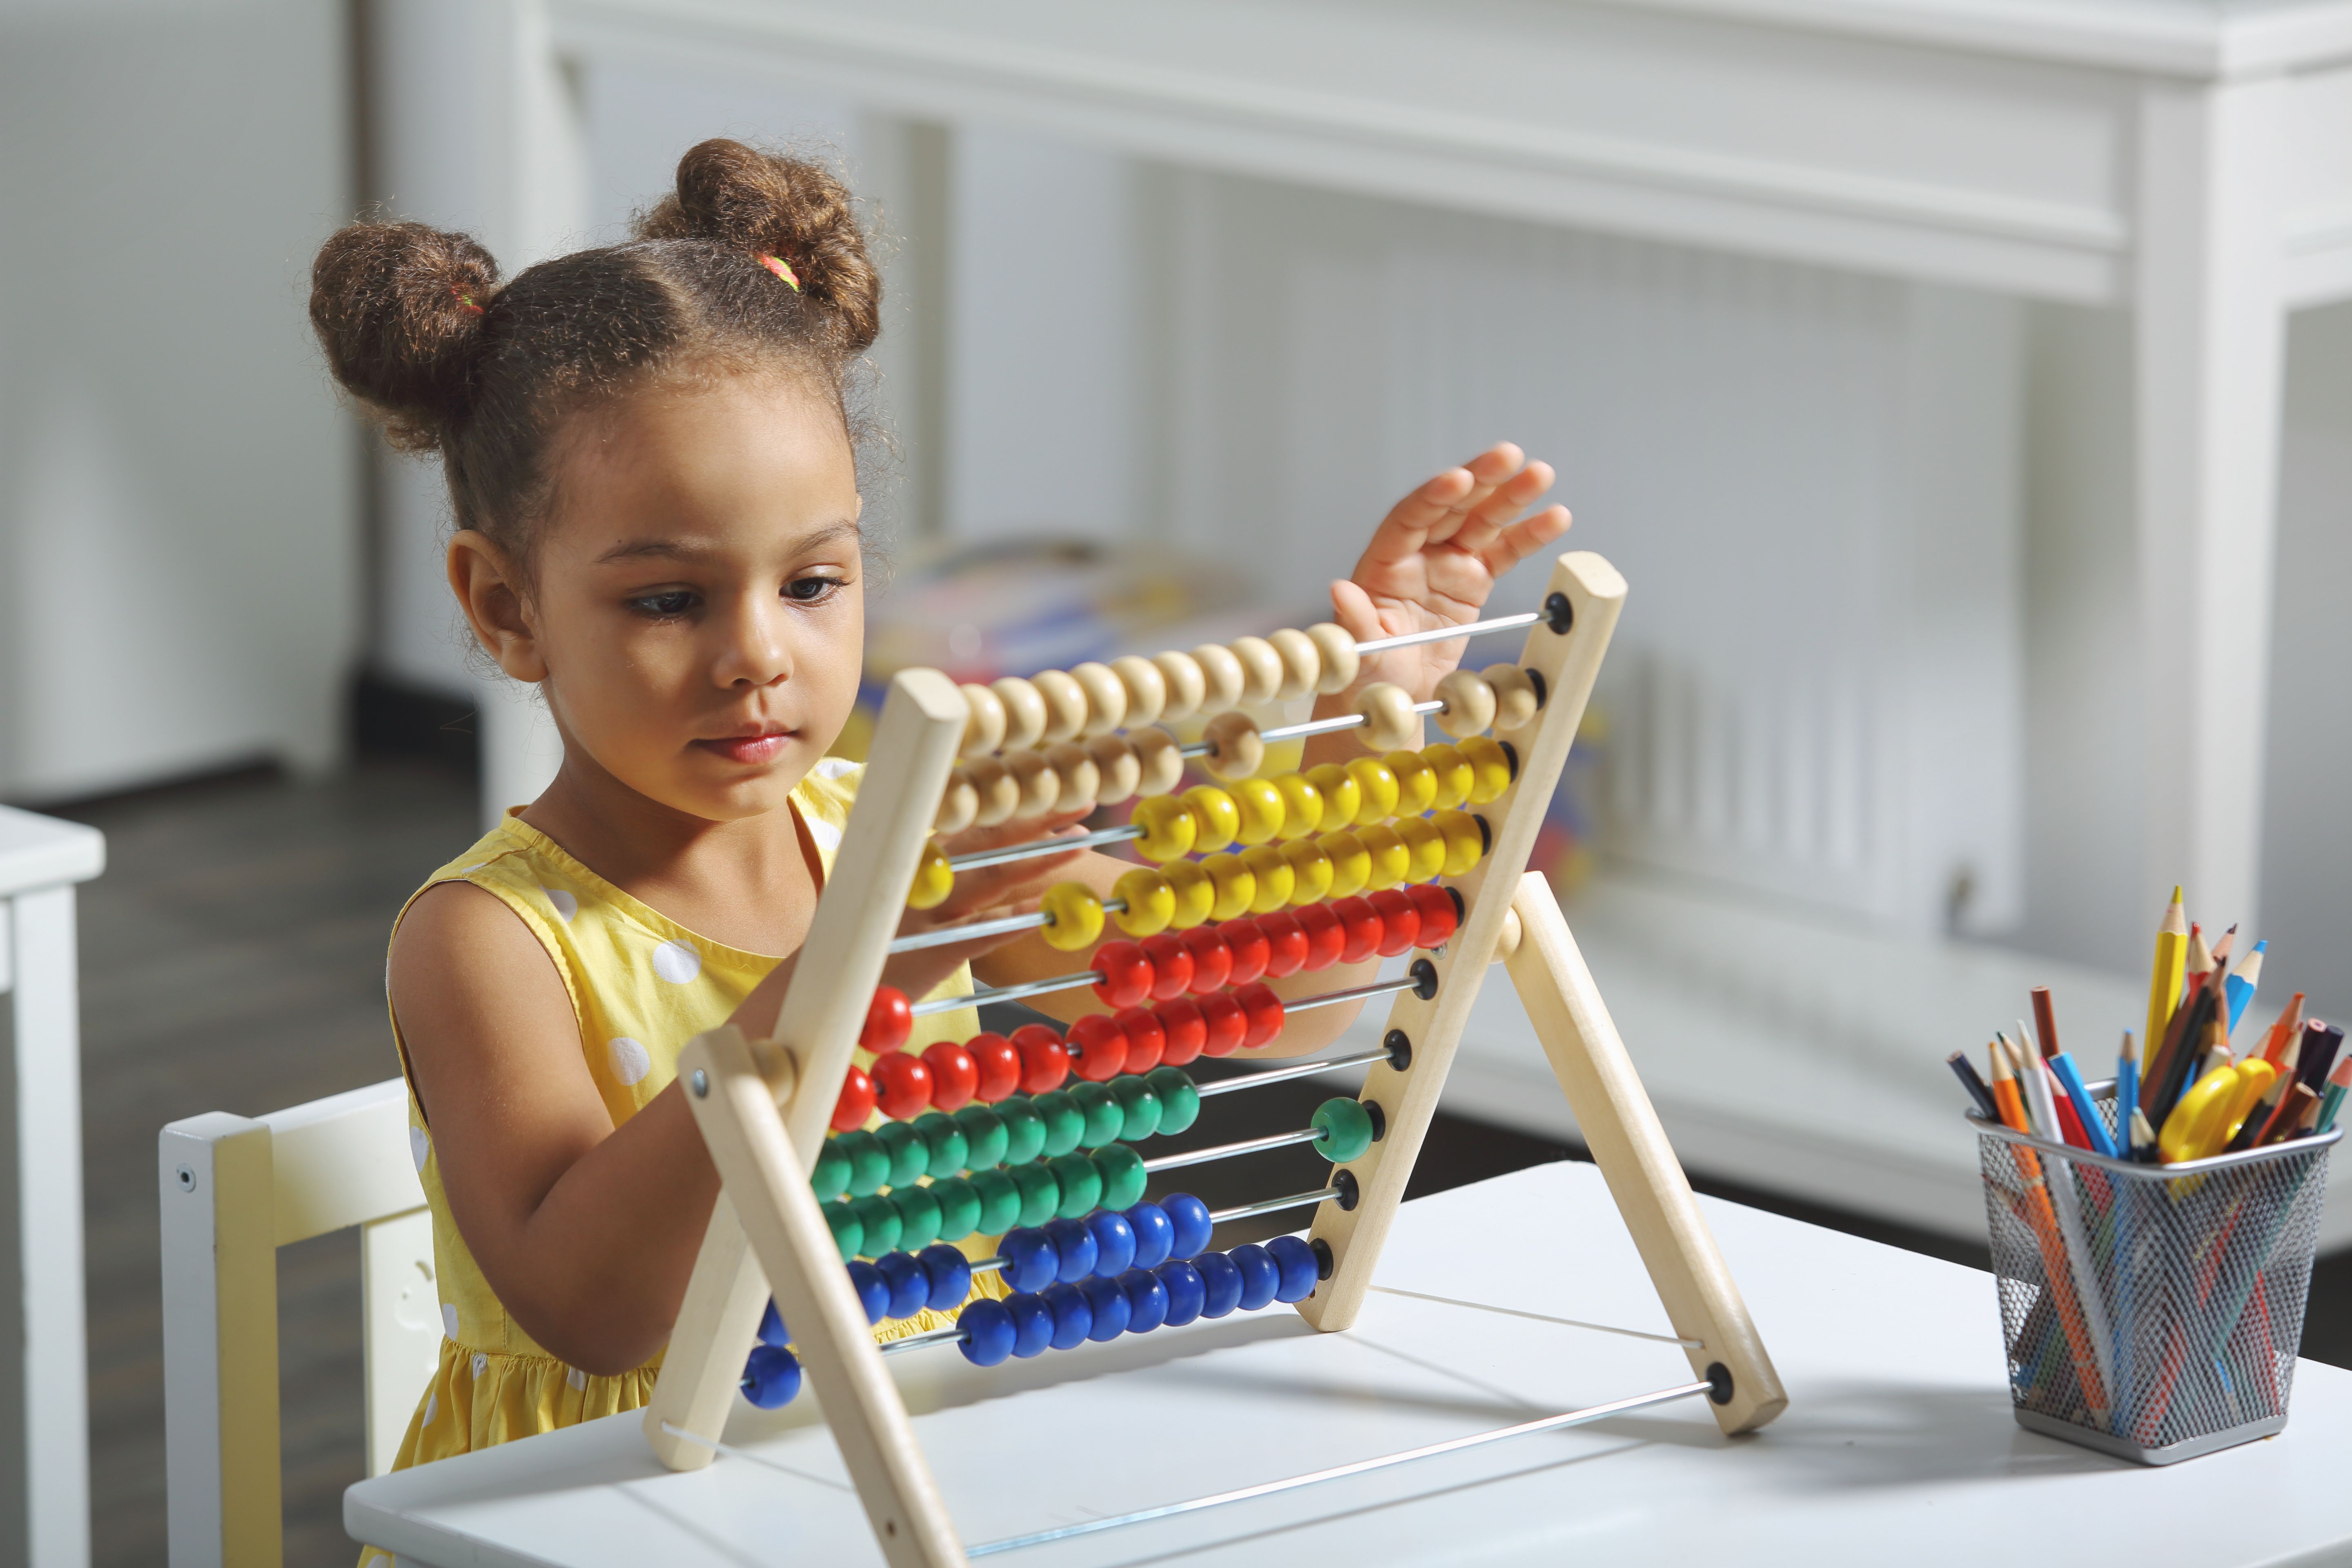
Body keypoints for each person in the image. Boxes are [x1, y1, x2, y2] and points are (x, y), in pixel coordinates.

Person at [309, 138, 1572, 1479]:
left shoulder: (896, 836)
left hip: (905, 1466)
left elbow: (1288, 1010)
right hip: (602, 1496)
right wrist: (859, 963)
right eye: (669, 599)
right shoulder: (486, 942)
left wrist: (1363, 722)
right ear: (507, 607)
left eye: (811, 586)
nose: (759, 655)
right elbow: (598, 1312)